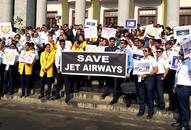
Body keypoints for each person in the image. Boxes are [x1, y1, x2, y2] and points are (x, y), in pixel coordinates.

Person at [136, 47, 158, 119]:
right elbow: (138, 69)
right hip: (141, 79)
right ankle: (141, 111)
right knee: (141, 96)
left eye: (145, 51)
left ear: (149, 52)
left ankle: (150, 113)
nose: (144, 52)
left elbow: (156, 70)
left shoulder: (152, 59)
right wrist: (138, 74)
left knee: (149, 96)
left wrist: (147, 74)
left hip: (149, 79)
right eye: (143, 50)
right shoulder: (141, 59)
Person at [174, 49, 191, 130]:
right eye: (179, 53)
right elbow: (177, 75)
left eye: (180, 54)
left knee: (184, 107)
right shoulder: (181, 63)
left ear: (185, 55)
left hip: (185, 87)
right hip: (178, 87)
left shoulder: (189, 63)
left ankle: (185, 125)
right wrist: (175, 86)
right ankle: (180, 122)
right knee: (179, 106)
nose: (179, 55)